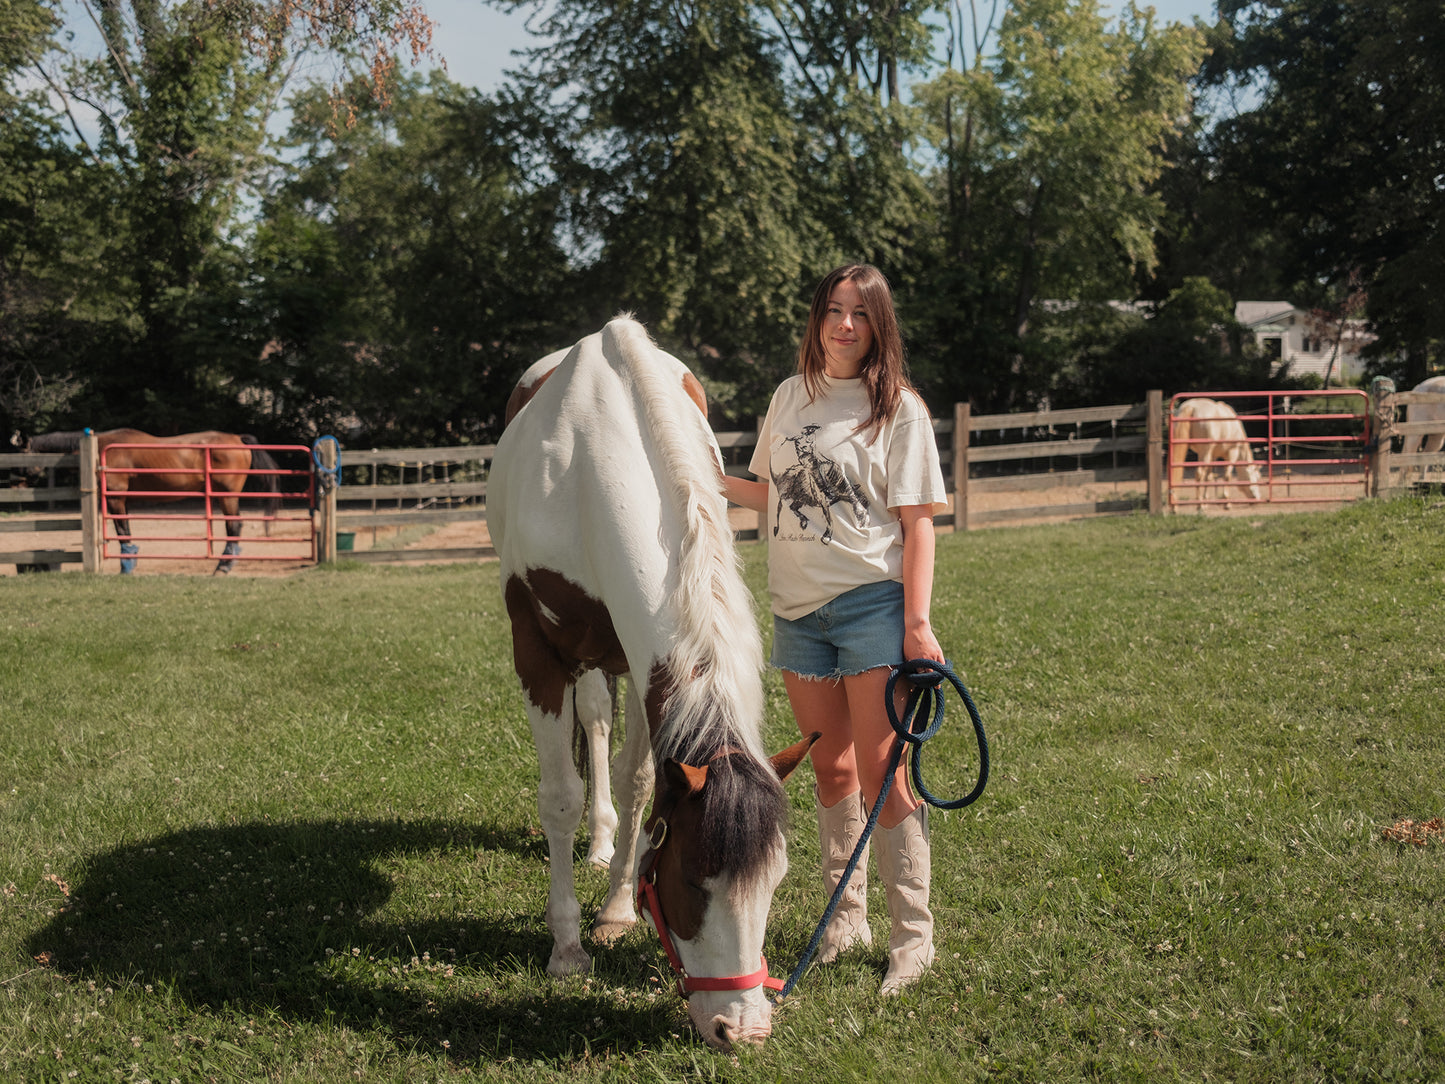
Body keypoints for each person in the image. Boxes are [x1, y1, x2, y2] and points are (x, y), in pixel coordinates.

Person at [722, 263, 947, 995]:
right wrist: (695, 471)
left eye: (860, 314)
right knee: (830, 770)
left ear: (879, 326)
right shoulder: (790, 396)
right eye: (833, 311)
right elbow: (768, 494)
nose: (845, 325)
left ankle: (912, 937)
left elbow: (918, 526)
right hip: (796, 613)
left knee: (884, 776)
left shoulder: (898, 409)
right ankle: (845, 918)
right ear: (816, 318)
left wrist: (915, 622)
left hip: (869, 609)